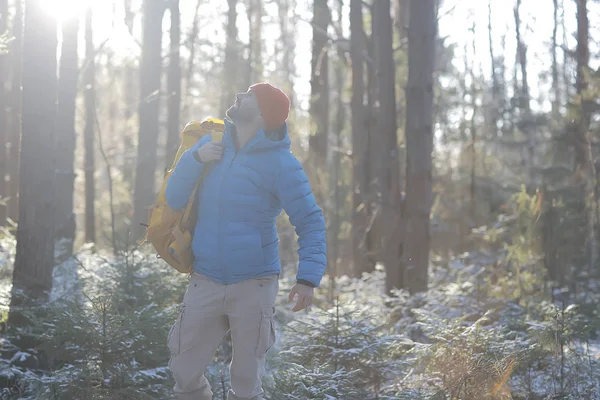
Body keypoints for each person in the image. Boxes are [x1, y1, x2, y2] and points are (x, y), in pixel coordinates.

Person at [164, 83, 327, 400]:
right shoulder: (210, 147)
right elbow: (173, 197)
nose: (239, 96)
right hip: (205, 278)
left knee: (246, 381)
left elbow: (309, 220)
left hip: (254, 282)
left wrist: (307, 279)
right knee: (184, 369)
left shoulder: (282, 164)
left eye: (250, 96)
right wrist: (194, 158)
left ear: (264, 114)